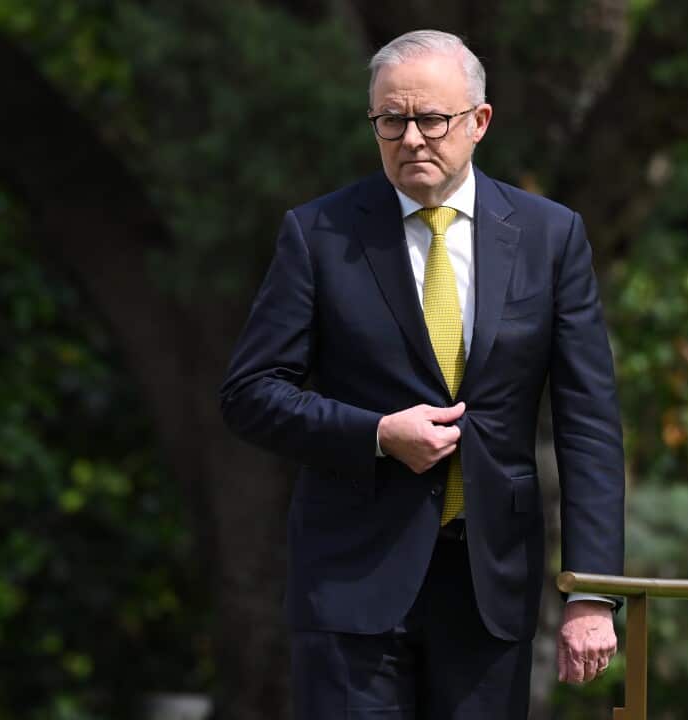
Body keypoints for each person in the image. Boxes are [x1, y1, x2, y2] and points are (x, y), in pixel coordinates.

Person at [219, 28, 625, 719]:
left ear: (478, 122)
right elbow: (249, 394)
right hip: (350, 585)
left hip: (489, 585)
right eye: (391, 120)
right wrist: (375, 433)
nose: (412, 139)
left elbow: (589, 426)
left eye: (432, 119)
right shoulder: (318, 235)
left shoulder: (550, 238)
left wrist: (590, 593)